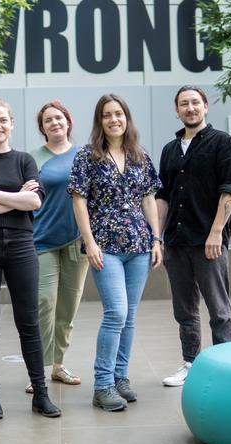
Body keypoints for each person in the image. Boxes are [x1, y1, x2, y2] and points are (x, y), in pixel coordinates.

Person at [0, 98, 61, 419]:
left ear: (12, 123)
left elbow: (35, 202)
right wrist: (16, 199)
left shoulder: (24, 160)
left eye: (3, 120)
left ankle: (40, 394)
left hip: (21, 247)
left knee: (29, 323)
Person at [68, 94, 162, 412]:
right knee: (116, 313)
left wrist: (157, 238)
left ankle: (121, 377)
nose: (114, 119)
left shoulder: (139, 155)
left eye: (118, 114)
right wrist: (90, 242)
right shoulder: (88, 156)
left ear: (127, 118)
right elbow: (78, 200)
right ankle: (103, 384)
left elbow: (148, 199)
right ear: (100, 121)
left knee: (130, 316)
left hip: (138, 244)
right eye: (107, 115)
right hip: (104, 245)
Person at [156, 85, 231, 387]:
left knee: (219, 309)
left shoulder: (222, 143)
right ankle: (190, 363)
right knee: (184, 310)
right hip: (176, 243)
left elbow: (229, 190)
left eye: (195, 103)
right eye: (183, 104)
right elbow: (162, 196)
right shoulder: (170, 149)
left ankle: (227, 368)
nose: (189, 108)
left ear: (205, 106)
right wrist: (157, 237)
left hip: (209, 242)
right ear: (176, 110)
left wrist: (216, 231)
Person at [24, 101, 89, 394]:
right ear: (42, 128)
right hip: (42, 241)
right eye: (48, 120)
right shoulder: (32, 159)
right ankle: (37, 369)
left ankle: (58, 365)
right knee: (44, 302)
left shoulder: (86, 155)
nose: (54, 123)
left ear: (68, 121)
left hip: (78, 241)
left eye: (59, 118)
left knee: (68, 306)